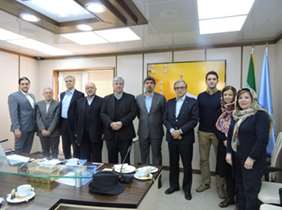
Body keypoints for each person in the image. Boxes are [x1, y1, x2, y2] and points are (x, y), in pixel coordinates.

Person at [226, 88, 271, 210]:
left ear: (253, 99)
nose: (243, 100)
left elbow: (262, 139)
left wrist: (252, 158)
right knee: (240, 187)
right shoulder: (236, 115)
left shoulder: (260, 115)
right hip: (237, 158)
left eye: (246, 97)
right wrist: (229, 152)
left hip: (252, 160)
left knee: (250, 190)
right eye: (240, 98)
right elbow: (230, 136)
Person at [164, 80, 199, 200]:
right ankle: (174, 186)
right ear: (174, 89)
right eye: (177, 88)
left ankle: (187, 189)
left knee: (186, 165)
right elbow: (165, 119)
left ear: (186, 88)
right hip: (172, 138)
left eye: (182, 87)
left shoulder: (193, 102)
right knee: (173, 163)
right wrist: (172, 131)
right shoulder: (169, 102)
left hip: (186, 139)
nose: (179, 90)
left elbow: (194, 120)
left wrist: (180, 131)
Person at [196, 71, 223, 198]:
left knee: (220, 161)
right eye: (209, 79)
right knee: (203, 160)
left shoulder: (223, 95)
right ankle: (205, 183)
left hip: (218, 133)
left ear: (217, 81)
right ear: (206, 81)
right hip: (203, 132)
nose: (211, 81)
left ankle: (220, 187)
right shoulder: (200, 96)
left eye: (214, 79)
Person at [101, 76, 137, 164]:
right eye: (116, 84)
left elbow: (133, 112)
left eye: (120, 84)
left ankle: (124, 178)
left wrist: (121, 122)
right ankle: (114, 178)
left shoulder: (130, 98)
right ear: (113, 86)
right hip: (110, 134)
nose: (118, 86)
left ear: (123, 85)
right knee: (112, 160)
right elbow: (102, 113)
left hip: (126, 134)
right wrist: (110, 123)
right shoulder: (106, 98)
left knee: (125, 160)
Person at [136, 77, 166, 166]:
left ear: (154, 85)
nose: (149, 85)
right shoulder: (138, 98)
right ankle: (145, 177)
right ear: (144, 85)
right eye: (147, 83)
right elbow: (138, 114)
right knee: (144, 156)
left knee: (157, 155)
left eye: (151, 83)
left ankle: (157, 178)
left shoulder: (161, 98)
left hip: (156, 132)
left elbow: (164, 114)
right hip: (143, 131)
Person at [215, 86, 237, 208]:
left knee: (236, 173)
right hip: (223, 146)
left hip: (236, 146)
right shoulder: (220, 110)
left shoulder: (239, 109)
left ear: (234, 96)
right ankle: (229, 198)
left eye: (230, 95)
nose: (227, 97)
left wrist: (230, 141)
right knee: (227, 173)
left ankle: (238, 196)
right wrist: (223, 139)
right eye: (225, 95)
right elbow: (217, 128)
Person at [75, 82, 104, 162]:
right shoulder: (79, 101)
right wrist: (77, 132)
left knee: (96, 158)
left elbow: (103, 118)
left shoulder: (102, 101)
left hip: (96, 134)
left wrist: (103, 132)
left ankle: (96, 173)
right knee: (84, 158)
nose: (89, 89)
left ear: (95, 89)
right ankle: (84, 173)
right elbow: (76, 118)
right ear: (85, 90)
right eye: (87, 88)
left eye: (91, 88)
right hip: (82, 135)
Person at [8, 77, 36, 154]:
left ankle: (25, 166)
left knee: (27, 150)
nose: (25, 86)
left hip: (31, 127)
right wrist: (16, 128)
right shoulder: (13, 96)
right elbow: (13, 113)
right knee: (19, 149)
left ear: (29, 85)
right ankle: (19, 166)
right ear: (19, 85)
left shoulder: (32, 96)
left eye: (26, 84)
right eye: (22, 84)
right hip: (21, 128)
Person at [60, 75, 84, 159]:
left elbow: (80, 111)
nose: (68, 83)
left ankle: (76, 164)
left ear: (74, 82)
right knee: (65, 145)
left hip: (74, 124)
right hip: (63, 123)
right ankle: (67, 161)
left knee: (75, 146)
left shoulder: (80, 94)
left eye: (70, 81)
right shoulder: (62, 94)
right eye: (66, 81)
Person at [36, 88, 60, 159]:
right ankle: (46, 168)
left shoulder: (57, 104)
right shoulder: (38, 104)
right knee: (45, 151)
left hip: (54, 132)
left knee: (54, 151)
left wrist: (49, 130)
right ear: (43, 94)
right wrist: (42, 129)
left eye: (50, 93)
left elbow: (56, 118)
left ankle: (55, 167)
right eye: (46, 93)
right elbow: (38, 118)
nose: (48, 94)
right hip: (42, 132)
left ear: (52, 94)